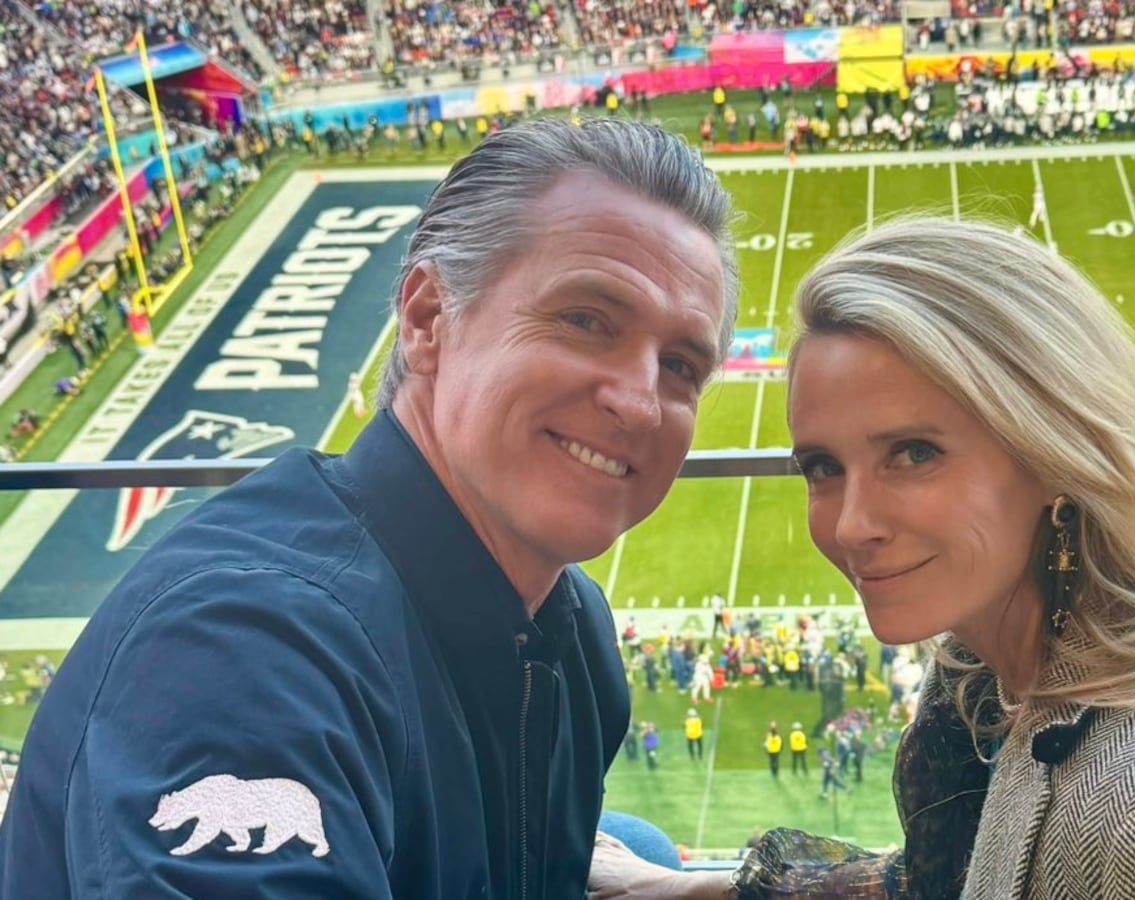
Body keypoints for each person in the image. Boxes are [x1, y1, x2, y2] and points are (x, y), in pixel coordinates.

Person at [0, 119, 738, 899]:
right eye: (586, 320)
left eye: (680, 365)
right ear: (427, 320)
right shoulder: (245, 651)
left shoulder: (569, 626)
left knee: (637, 847)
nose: (638, 403)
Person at [588, 219, 1135, 898]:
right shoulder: (1001, 652)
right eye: (823, 468)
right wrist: (694, 887)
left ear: (1052, 451)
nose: (852, 525)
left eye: (914, 453)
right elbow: (956, 876)